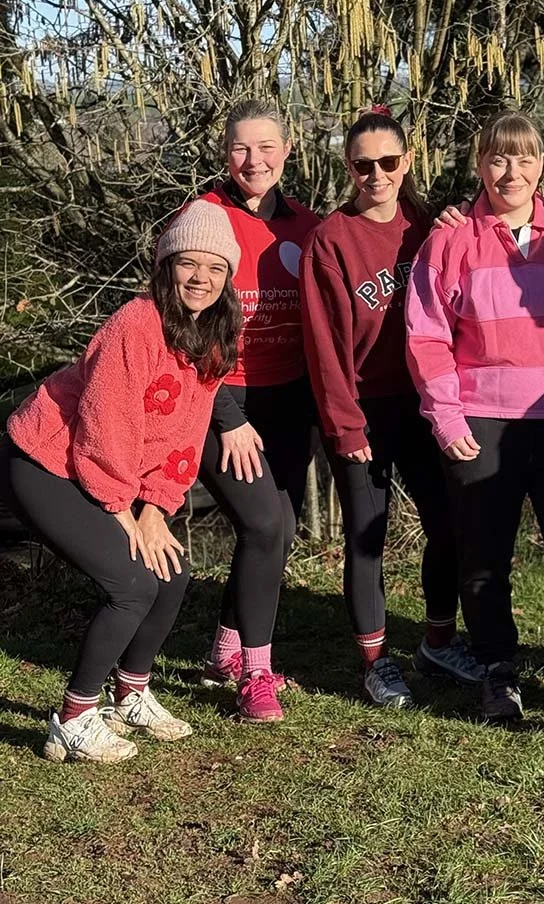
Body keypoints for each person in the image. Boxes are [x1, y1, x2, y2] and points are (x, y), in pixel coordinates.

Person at [405, 111, 544, 724]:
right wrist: (447, 420)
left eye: (524, 159)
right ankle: (498, 669)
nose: (511, 172)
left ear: (542, 165)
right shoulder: (451, 241)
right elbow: (427, 336)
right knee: (482, 556)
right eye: (498, 159)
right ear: (480, 165)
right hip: (482, 423)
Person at [1, 202, 242, 763]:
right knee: (131, 583)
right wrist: (124, 511)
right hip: (46, 461)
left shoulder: (214, 336)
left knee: (173, 571)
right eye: (188, 263)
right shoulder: (136, 322)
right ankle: (74, 717)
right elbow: (105, 426)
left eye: (214, 267)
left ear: (228, 277)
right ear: (166, 265)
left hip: (105, 469)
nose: (201, 278)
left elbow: (187, 430)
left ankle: (131, 691)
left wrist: (157, 505)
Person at [300, 106, 481, 707]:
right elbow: (323, 345)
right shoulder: (330, 240)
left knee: (449, 523)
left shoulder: (433, 224)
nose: (375, 174)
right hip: (364, 407)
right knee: (366, 536)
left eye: (388, 161)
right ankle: (375, 661)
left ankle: (437, 639)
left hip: (428, 402)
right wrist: (344, 425)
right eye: (362, 164)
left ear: (407, 162)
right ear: (348, 169)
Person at [192, 97, 320, 723]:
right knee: (270, 527)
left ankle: (226, 647)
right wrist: (226, 415)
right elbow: (179, 329)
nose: (254, 159)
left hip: (290, 396)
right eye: (242, 147)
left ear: (286, 151)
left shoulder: (306, 224)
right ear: (225, 152)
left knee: (268, 528)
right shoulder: (203, 219)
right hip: (226, 399)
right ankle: (256, 673)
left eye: (267, 146)